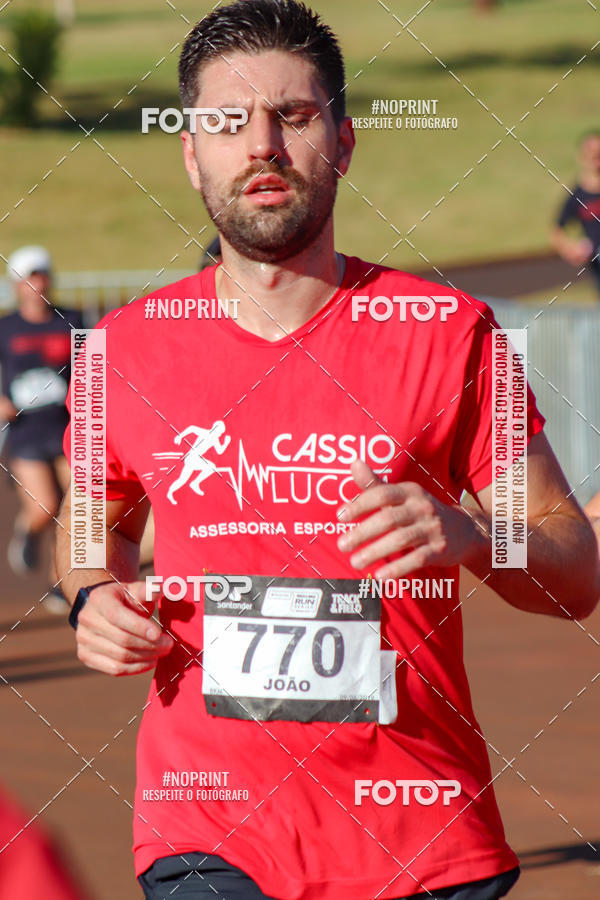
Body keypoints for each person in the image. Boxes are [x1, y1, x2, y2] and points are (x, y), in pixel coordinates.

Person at [55, 2, 599, 898]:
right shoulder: (123, 351)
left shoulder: (452, 335)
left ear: (343, 142)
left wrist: (468, 535)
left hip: (424, 838)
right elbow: (87, 529)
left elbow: (574, 569)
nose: (262, 145)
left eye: (294, 117)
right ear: (192, 153)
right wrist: (88, 597)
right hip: (207, 832)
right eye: (229, 122)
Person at [1, 246, 82, 611]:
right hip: (25, 432)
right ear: (17, 283)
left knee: (75, 509)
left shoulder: (74, 319)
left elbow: (96, 366)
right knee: (45, 506)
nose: (38, 283)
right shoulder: (6, 328)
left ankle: (58, 580)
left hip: (67, 429)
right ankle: (27, 531)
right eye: (30, 276)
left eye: (42, 275)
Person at [551, 131, 600, 294]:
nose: (596, 160)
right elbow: (557, 229)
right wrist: (571, 249)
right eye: (591, 154)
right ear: (582, 157)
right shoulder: (578, 195)